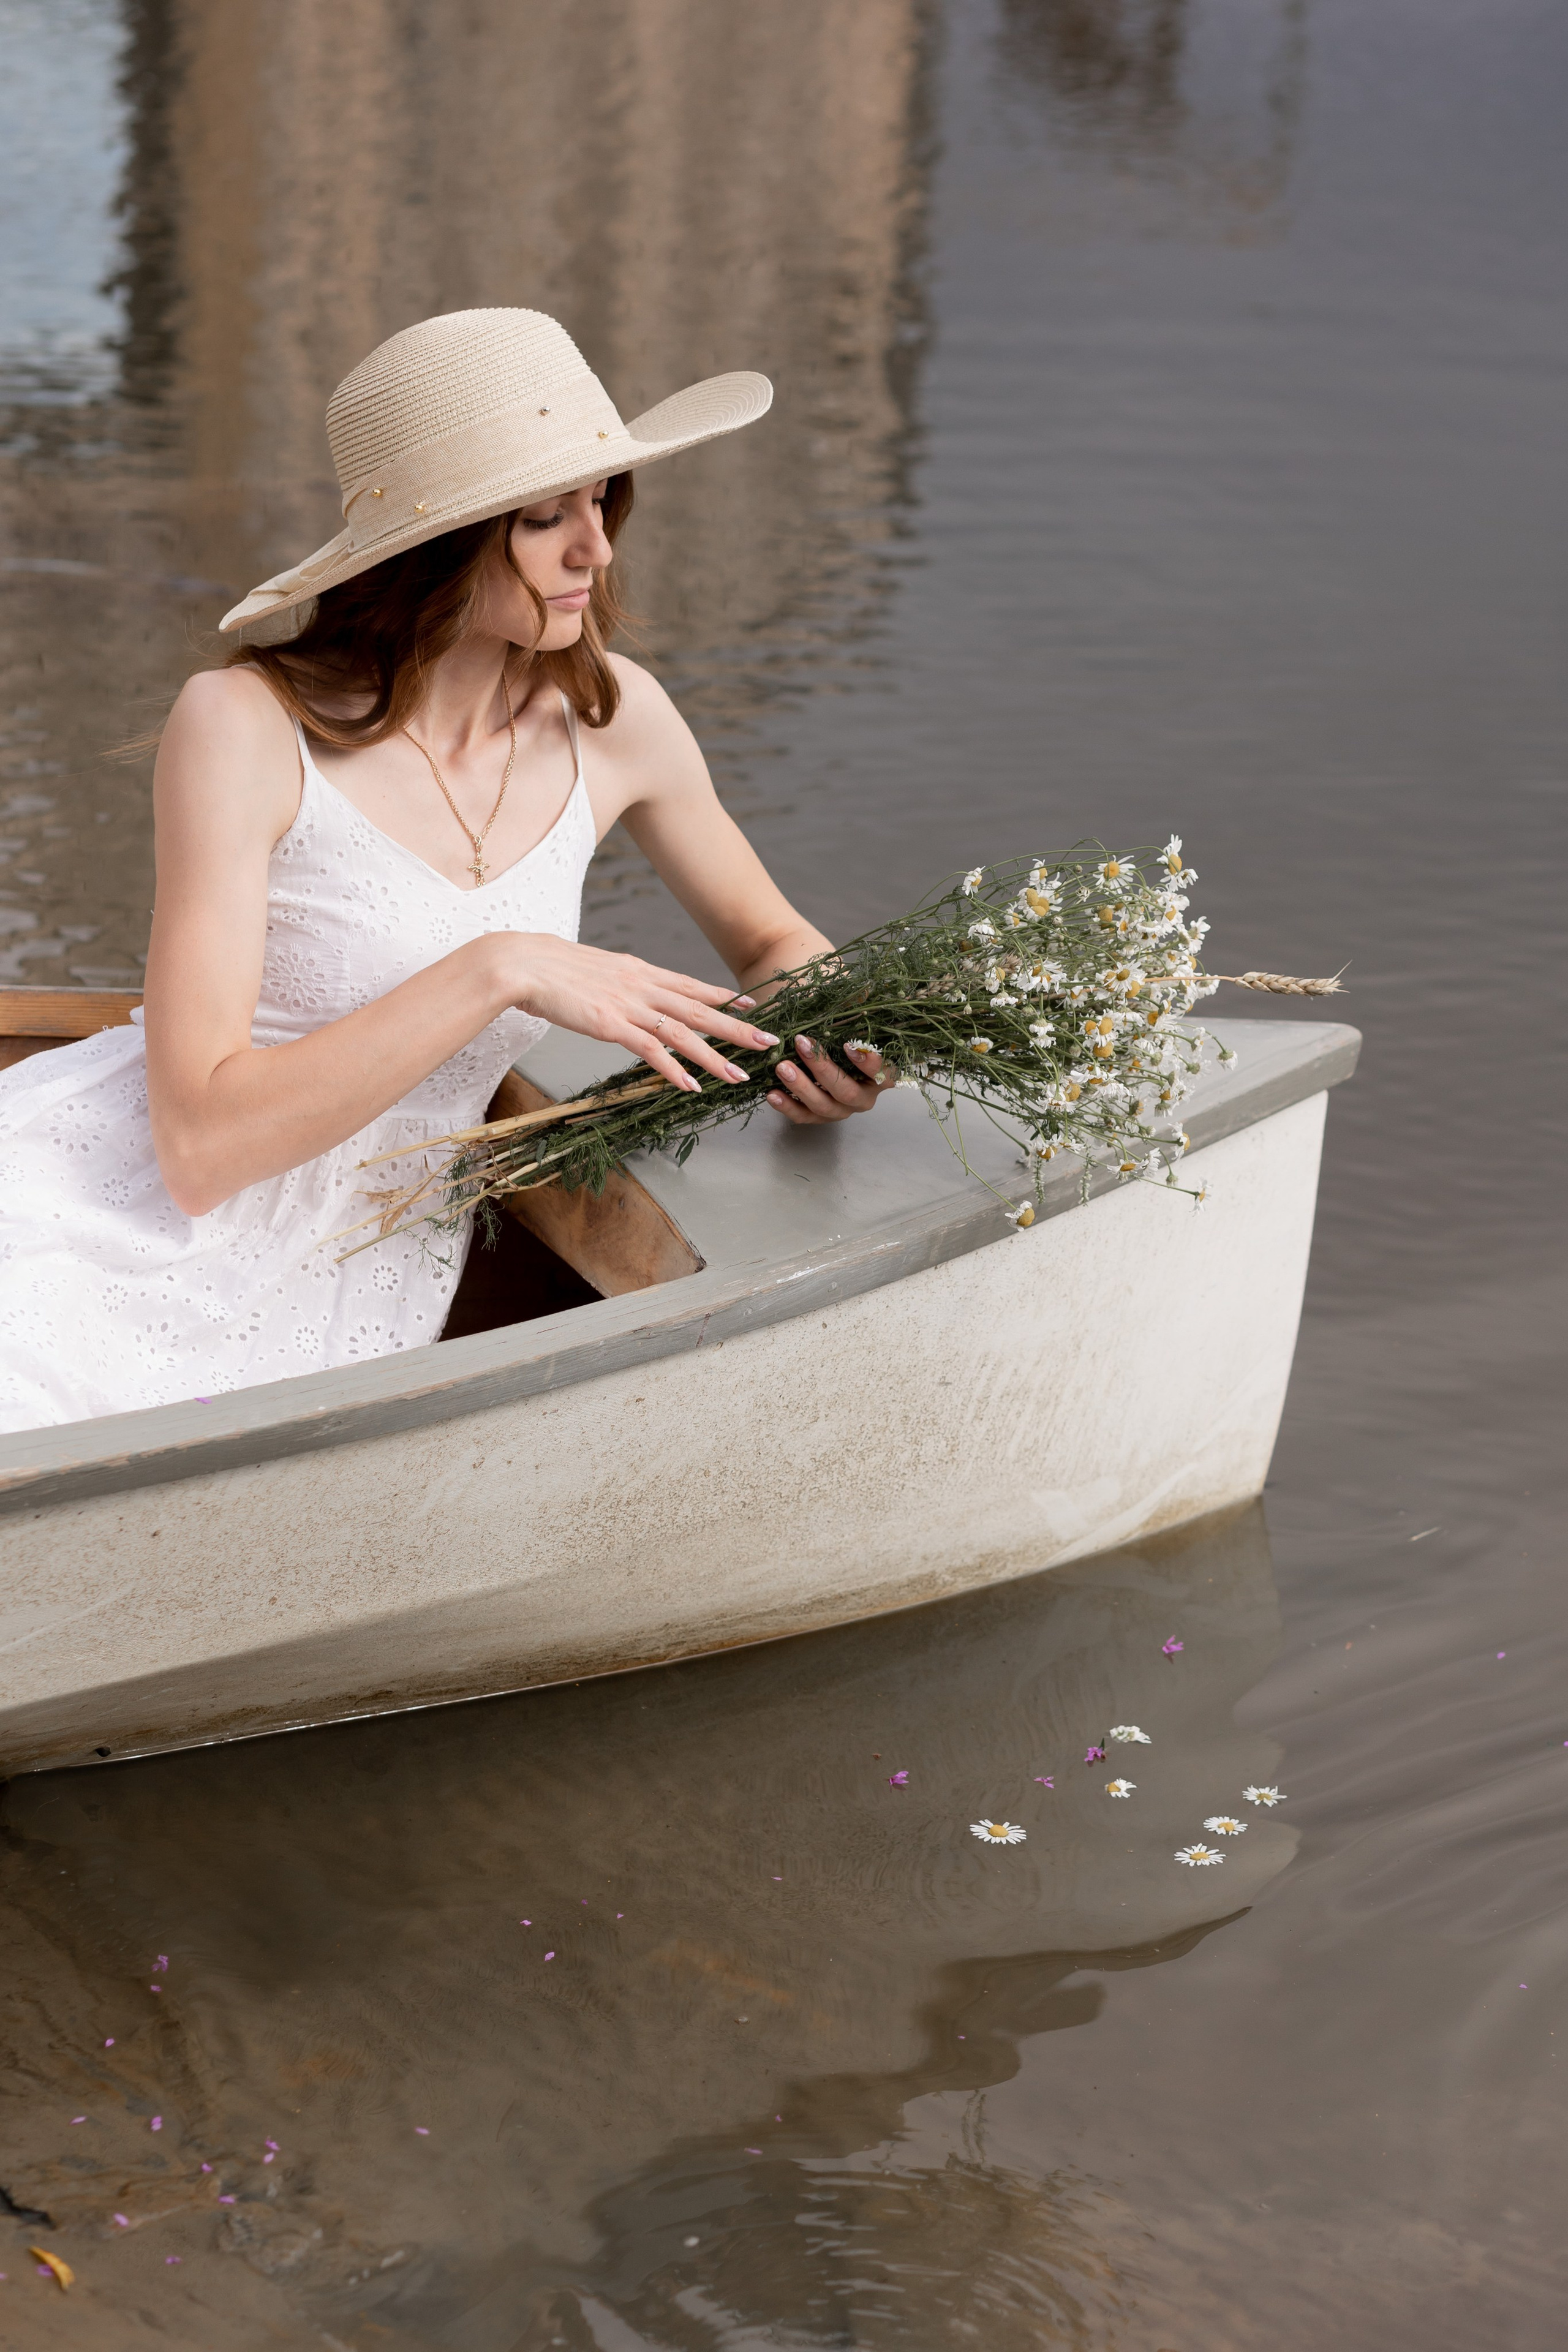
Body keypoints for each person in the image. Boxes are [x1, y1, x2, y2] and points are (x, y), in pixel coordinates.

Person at [0, 309, 888, 1434]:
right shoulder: (245, 725)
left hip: (370, 1261)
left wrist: (834, 1042)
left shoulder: (618, 723)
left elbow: (773, 945)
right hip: (119, 1224)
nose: (596, 549)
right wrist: (501, 967)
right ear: (438, 545)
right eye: (543, 517)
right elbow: (199, 1150)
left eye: (602, 501)